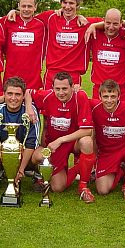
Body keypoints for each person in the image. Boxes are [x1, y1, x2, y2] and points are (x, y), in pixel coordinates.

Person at [30, 72, 96, 203]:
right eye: (57, 89)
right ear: (52, 88)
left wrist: (61, 140)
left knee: (87, 142)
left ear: (73, 87)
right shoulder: (46, 96)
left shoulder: (80, 96)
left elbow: (87, 130)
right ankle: (79, 167)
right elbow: (27, 93)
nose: (61, 93)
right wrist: (28, 109)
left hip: (72, 142)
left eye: (65, 88)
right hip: (54, 147)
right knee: (58, 187)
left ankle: (83, 186)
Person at [0, 77, 41, 190]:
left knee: (41, 155)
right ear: (4, 94)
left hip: (25, 154)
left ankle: (37, 176)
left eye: (18, 94)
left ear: (24, 96)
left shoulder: (30, 111)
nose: (13, 98)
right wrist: (10, 162)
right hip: (3, 153)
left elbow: (32, 142)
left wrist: (20, 169)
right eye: (9, 94)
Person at [90, 80, 125, 200]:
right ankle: (121, 170)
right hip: (106, 153)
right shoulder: (94, 107)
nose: (109, 100)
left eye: (113, 96)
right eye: (105, 96)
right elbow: (77, 99)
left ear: (119, 96)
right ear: (99, 96)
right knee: (102, 190)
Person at [87, 9, 125, 100]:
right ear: (103, 21)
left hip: (121, 90)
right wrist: (93, 25)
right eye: (108, 23)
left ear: (121, 23)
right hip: (99, 89)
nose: (111, 27)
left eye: (115, 24)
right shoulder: (95, 32)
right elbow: (74, 17)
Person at [2, 0, 45, 89]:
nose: (26, 9)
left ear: (35, 7)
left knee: (32, 103)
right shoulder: (8, 20)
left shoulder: (42, 24)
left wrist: (81, 17)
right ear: (18, 6)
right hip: (11, 77)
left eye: (29, 6)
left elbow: (60, 15)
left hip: (33, 79)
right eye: (23, 6)